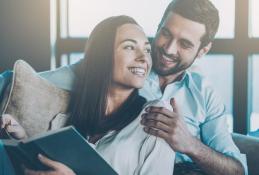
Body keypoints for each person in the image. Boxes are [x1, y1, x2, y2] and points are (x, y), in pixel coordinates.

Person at [0, 0, 248, 175]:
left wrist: (187, 143)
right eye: (165, 34)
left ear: (203, 50)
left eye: (184, 43)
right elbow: (29, 80)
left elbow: (237, 170)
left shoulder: (203, 94)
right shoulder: (115, 71)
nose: (169, 49)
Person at [0, 15, 176, 175]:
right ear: (101, 56)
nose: (143, 58)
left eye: (146, 49)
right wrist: (22, 141)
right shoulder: (70, 114)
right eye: (130, 47)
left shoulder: (157, 122)